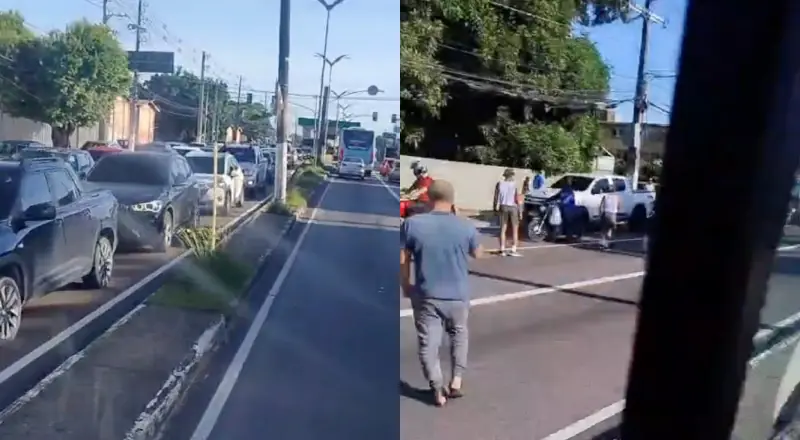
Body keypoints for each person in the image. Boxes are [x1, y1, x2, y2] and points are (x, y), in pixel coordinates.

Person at [400, 179, 483, 407]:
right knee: (459, 335)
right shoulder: (465, 226)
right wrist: (460, 218)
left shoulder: (412, 224)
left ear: (428, 198)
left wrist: (406, 284)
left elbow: (403, 259)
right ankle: (456, 381)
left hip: (427, 294)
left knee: (428, 343)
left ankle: (437, 390)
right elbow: (478, 254)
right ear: (452, 200)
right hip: (458, 295)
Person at [494, 168, 522, 256]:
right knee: (515, 229)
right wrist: (520, 211)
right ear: (512, 175)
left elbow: (495, 198)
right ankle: (513, 249)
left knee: (503, 229)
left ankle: (502, 248)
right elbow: (518, 199)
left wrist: (495, 208)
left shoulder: (499, 184)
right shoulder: (515, 185)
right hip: (513, 207)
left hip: (503, 206)